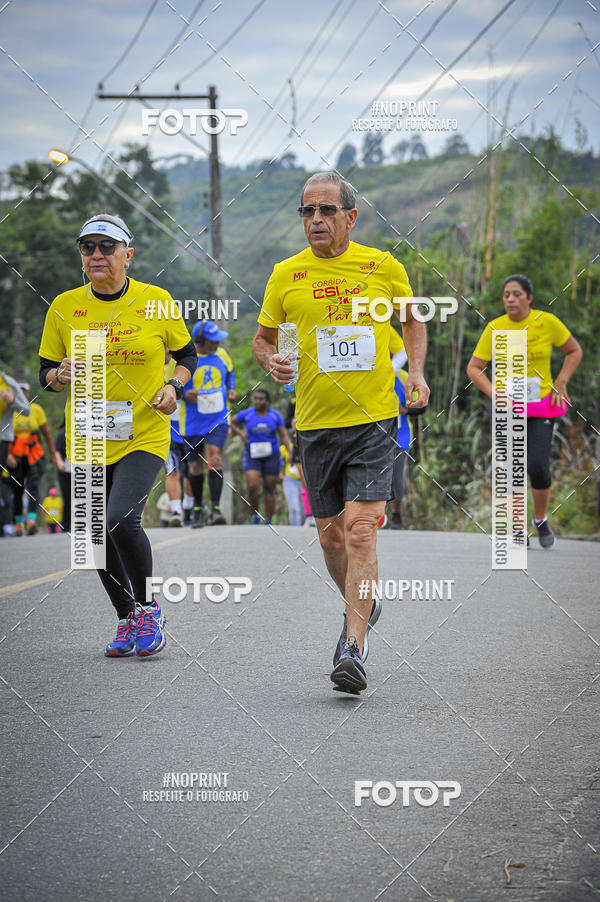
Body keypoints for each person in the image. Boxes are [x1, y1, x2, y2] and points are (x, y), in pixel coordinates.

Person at [253, 171, 429, 694]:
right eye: (307, 211)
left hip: (374, 419)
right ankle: (362, 604)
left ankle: (353, 645)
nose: (316, 220)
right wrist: (272, 362)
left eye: (326, 211)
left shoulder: (382, 265)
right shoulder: (285, 275)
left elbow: (413, 319)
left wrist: (415, 374)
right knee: (330, 537)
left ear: (350, 217)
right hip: (313, 424)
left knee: (359, 530)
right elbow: (264, 340)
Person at [39, 213, 195, 656]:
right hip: (88, 432)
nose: (96, 255)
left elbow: (186, 354)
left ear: (128, 254)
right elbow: (45, 374)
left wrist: (174, 385)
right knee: (91, 536)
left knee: (120, 519)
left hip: (144, 431)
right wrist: (59, 374)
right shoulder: (65, 306)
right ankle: (127, 617)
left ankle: (148, 609)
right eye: (87, 247)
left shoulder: (156, 300)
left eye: (107, 247)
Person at [467, 274, 582, 547]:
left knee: (539, 466)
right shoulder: (495, 328)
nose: (510, 299)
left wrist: (561, 381)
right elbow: (474, 368)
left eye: (516, 294)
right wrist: (495, 392)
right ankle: (519, 527)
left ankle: (540, 519)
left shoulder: (547, 322)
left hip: (542, 406)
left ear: (529, 298)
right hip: (509, 408)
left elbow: (573, 350)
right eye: (506, 295)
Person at [180, 321, 237, 528]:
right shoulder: (186, 358)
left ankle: (215, 509)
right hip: (193, 421)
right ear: (201, 341)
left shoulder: (222, 355)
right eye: (212, 340)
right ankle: (197, 507)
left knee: (215, 457)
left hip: (218, 417)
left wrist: (231, 389)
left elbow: (230, 373)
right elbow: (172, 384)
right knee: (195, 465)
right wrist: (186, 394)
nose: (217, 342)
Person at [230, 389, 291, 525]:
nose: (258, 401)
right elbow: (232, 422)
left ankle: (268, 519)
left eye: (261, 399)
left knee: (269, 487)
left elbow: (283, 435)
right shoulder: (248, 414)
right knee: (252, 486)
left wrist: (290, 452)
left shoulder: (275, 416)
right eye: (256, 398)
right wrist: (241, 435)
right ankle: (255, 515)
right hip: (253, 455)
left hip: (272, 456)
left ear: (267, 401)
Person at [9, 383, 56, 535]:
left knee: (33, 486)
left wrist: (53, 453)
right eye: (18, 391)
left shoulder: (36, 410)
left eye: (24, 391)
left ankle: (31, 523)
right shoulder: (10, 411)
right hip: (16, 456)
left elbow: (46, 433)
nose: (21, 394)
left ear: (28, 394)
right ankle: (18, 526)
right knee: (17, 489)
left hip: (34, 454)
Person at [0, 371, 29, 536]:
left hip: (4, 442)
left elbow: (26, 410)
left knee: (17, 488)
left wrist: (12, 401)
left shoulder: (7, 382)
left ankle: (13, 524)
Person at [163, 350, 184, 527]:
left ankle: (191, 506)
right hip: (167, 431)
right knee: (172, 470)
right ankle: (176, 510)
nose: (168, 355)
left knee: (192, 471)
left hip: (188, 428)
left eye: (171, 352)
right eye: (165, 351)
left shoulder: (184, 366)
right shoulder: (151, 369)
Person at [54, 421, 71, 533]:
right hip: (65, 470)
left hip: (81, 470)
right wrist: (59, 462)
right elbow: (57, 451)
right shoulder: (63, 433)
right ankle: (66, 526)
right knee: (68, 498)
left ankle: (84, 526)